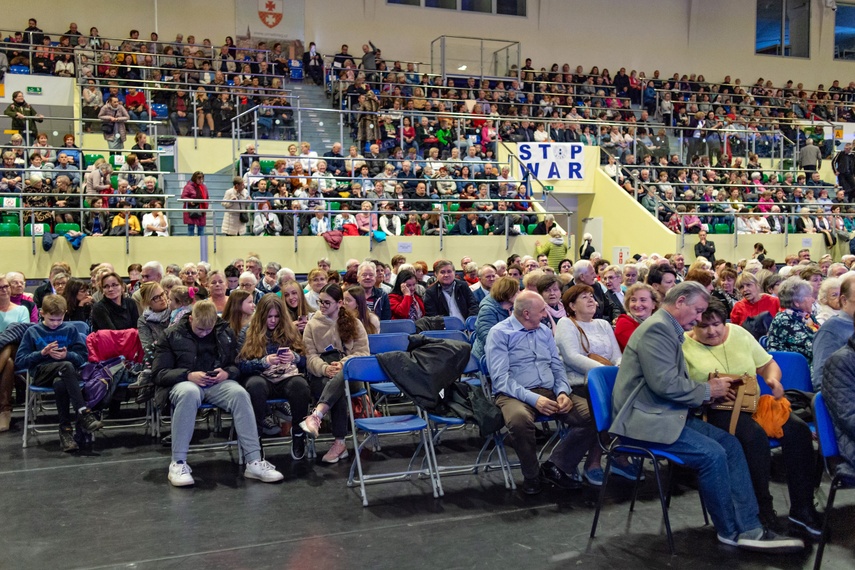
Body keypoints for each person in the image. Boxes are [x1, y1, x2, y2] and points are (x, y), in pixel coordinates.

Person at [612, 282, 804, 552]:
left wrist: (706, 392)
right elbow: (664, 384)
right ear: (680, 302)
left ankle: (750, 527)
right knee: (713, 454)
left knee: (732, 446)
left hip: (665, 413)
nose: (699, 319)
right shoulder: (657, 329)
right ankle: (730, 530)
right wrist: (708, 389)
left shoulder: (666, 328)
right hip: (645, 420)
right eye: (698, 310)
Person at [683, 299, 821, 533]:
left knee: (797, 431)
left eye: (717, 323)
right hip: (716, 409)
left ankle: (802, 507)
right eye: (704, 326)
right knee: (754, 438)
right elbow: (683, 388)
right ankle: (762, 508)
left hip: (753, 403)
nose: (713, 330)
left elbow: (768, 364)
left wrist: (773, 380)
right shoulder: (683, 346)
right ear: (693, 324)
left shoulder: (738, 333)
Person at [152, 300, 283, 486]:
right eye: (200, 329)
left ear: (216, 320)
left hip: (216, 381)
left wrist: (227, 373)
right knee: (189, 393)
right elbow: (159, 374)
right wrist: (188, 375)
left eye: (208, 329)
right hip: (184, 382)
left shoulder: (225, 332)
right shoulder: (171, 335)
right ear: (191, 319)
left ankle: (254, 461)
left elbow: (237, 364)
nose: (205, 333)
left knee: (240, 394)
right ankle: (178, 463)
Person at [485, 291, 598, 494]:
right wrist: (534, 399)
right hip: (514, 394)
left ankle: (557, 466)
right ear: (526, 313)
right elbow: (501, 379)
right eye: (542, 310)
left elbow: (557, 367)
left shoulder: (544, 331)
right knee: (519, 421)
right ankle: (532, 475)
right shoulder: (499, 333)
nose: (546, 314)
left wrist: (563, 390)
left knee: (595, 416)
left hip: (550, 390)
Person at [555, 285, 637, 485]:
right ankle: (592, 462)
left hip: (606, 382)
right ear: (572, 306)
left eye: (592, 296)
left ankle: (617, 456)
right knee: (602, 412)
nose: (591, 299)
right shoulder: (567, 323)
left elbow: (617, 356)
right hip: (577, 385)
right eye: (584, 297)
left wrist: (616, 371)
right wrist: (605, 374)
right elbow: (572, 358)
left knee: (629, 405)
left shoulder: (603, 324)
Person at [15, 295, 101, 452]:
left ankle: (65, 432)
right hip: (42, 373)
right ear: (42, 313)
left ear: (65, 314)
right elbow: (20, 361)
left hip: (65, 376)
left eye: (59, 320)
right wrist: (41, 353)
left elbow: (83, 358)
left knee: (61, 382)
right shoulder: (33, 331)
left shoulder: (70, 329)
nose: (55, 324)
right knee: (66, 366)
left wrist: (66, 355)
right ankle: (83, 412)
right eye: (51, 320)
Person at [299, 284, 370, 464]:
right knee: (337, 389)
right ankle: (340, 443)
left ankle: (317, 415)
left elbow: (363, 352)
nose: (321, 306)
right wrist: (324, 368)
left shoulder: (354, 323)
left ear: (339, 303)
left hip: (351, 373)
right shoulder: (312, 325)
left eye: (327, 303)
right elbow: (310, 356)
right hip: (322, 373)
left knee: (341, 380)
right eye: (320, 302)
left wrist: (343, 364)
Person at [237, 294, 311, 459]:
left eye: (277, 316)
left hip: (285, 376)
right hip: (260, 377)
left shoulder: (290, 330)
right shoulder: (247, 332)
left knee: (300, 386)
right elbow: (240, 366)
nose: (273, 320)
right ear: (261, 316)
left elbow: (306, 361)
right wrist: (263, 362)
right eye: (269, 317)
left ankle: (298, 433)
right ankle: (255, 439)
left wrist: (295, 357)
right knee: (255, 386)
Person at [0, 275, 29, 431]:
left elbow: (22, 333)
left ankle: (4, 410)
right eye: (1, 288)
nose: (4, 290)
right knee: (8, 363)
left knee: (9, 343)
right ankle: (5, 410)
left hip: (18, 350)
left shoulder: (21, 309)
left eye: (6, 287)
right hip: (6, 359)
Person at [766, 277, 818, 363]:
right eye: (809, 296)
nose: (812, 300)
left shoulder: (807, 317)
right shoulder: (784, 320)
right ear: (796, 302)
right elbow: (810, 349)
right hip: (793, 368)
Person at [472, 276, 519, 360]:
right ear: (507, 292)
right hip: (488, 356)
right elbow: (489, 339)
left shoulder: (514, 308)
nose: (519, 294)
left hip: (509, 352)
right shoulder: (487, 310)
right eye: (516, 291)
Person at [613, 282, 659, 352]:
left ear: (653, 304)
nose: (637, 305)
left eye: (643, 300)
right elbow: (645, 350)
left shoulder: (657, 322)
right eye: (633, 300)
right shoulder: (623, 322)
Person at [182, 171, 209, 236]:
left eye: (202, 178)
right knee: (191, 228)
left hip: (201, 210)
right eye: (199, 179)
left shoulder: (204, 187)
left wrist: (206, 206)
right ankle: (190, 245)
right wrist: (190, 201)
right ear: (195, 178)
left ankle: (201, 245)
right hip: (192, 210)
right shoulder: (188, 186)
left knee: (201, 229)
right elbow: (183, 197)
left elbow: (207, 197)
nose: (201, 180)